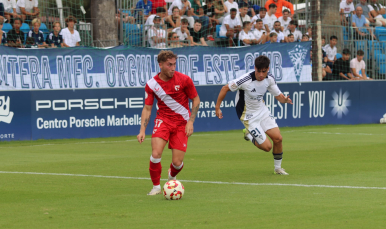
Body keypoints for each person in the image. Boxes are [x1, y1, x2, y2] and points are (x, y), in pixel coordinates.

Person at [215, 55, 292, 175]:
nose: (261, 74)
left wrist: (285, 100)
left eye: (264, 71)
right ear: (255, 68)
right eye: (258, 71)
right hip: (248, 116)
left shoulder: (269, 79)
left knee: (278, 139)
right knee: (267, 147)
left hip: (262, 111)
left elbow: (279, 97)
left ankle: (278, 169)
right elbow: (225, 88)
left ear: (268, 69)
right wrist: (217, 107)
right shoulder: (245, 80)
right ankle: (249, 135)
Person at [137, 50, 200, 195]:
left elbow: (196, 99)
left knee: (177, 163)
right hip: (163, 120)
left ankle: (171, 178)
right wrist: (142, 130)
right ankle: (156, 187)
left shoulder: (184, 80)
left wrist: (191, 122)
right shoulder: (152, 84)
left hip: (181, 123)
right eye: (169, 65)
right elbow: (147, 108)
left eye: (174, 64)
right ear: (160, 65)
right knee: (156, 153)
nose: (173, 68)